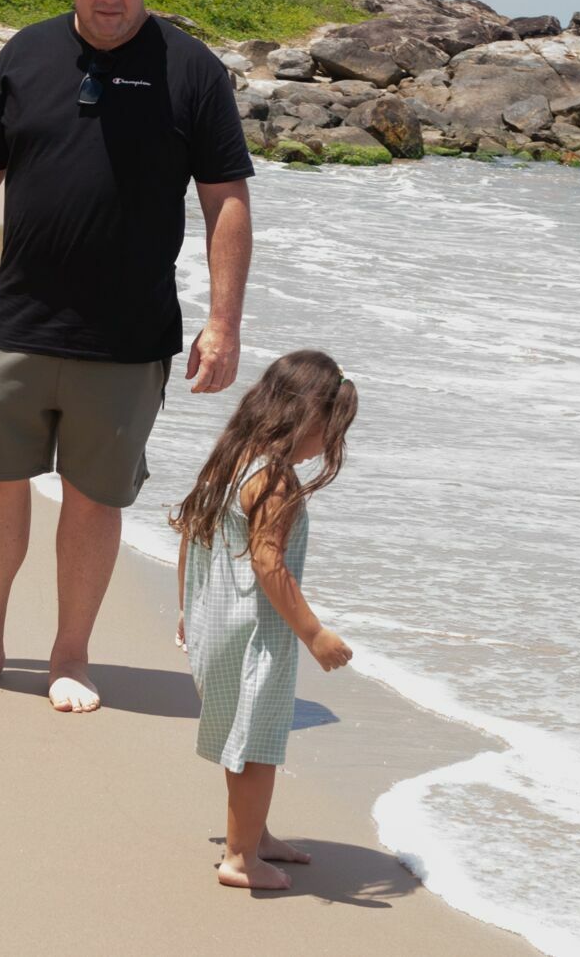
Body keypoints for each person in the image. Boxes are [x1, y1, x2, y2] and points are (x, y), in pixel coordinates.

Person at [0, 0, 254, 711]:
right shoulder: (27, 53)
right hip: (19, 319)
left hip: (127, 336)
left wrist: (222, 322)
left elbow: (225, 200)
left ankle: (70, 656)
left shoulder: (193, 71)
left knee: (95, 496)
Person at [172, 351, 357, 890]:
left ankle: (255, 836)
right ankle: (239, 859)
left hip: (216, 621)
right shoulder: (274, 480)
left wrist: (187, 605)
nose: (327, 445)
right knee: (256, 745)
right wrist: (315, 633)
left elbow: (192, 530)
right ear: (303, 418)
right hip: (257, 635)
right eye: (329, 431)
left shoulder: (232, 457)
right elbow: (268, 562)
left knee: (245, 735)